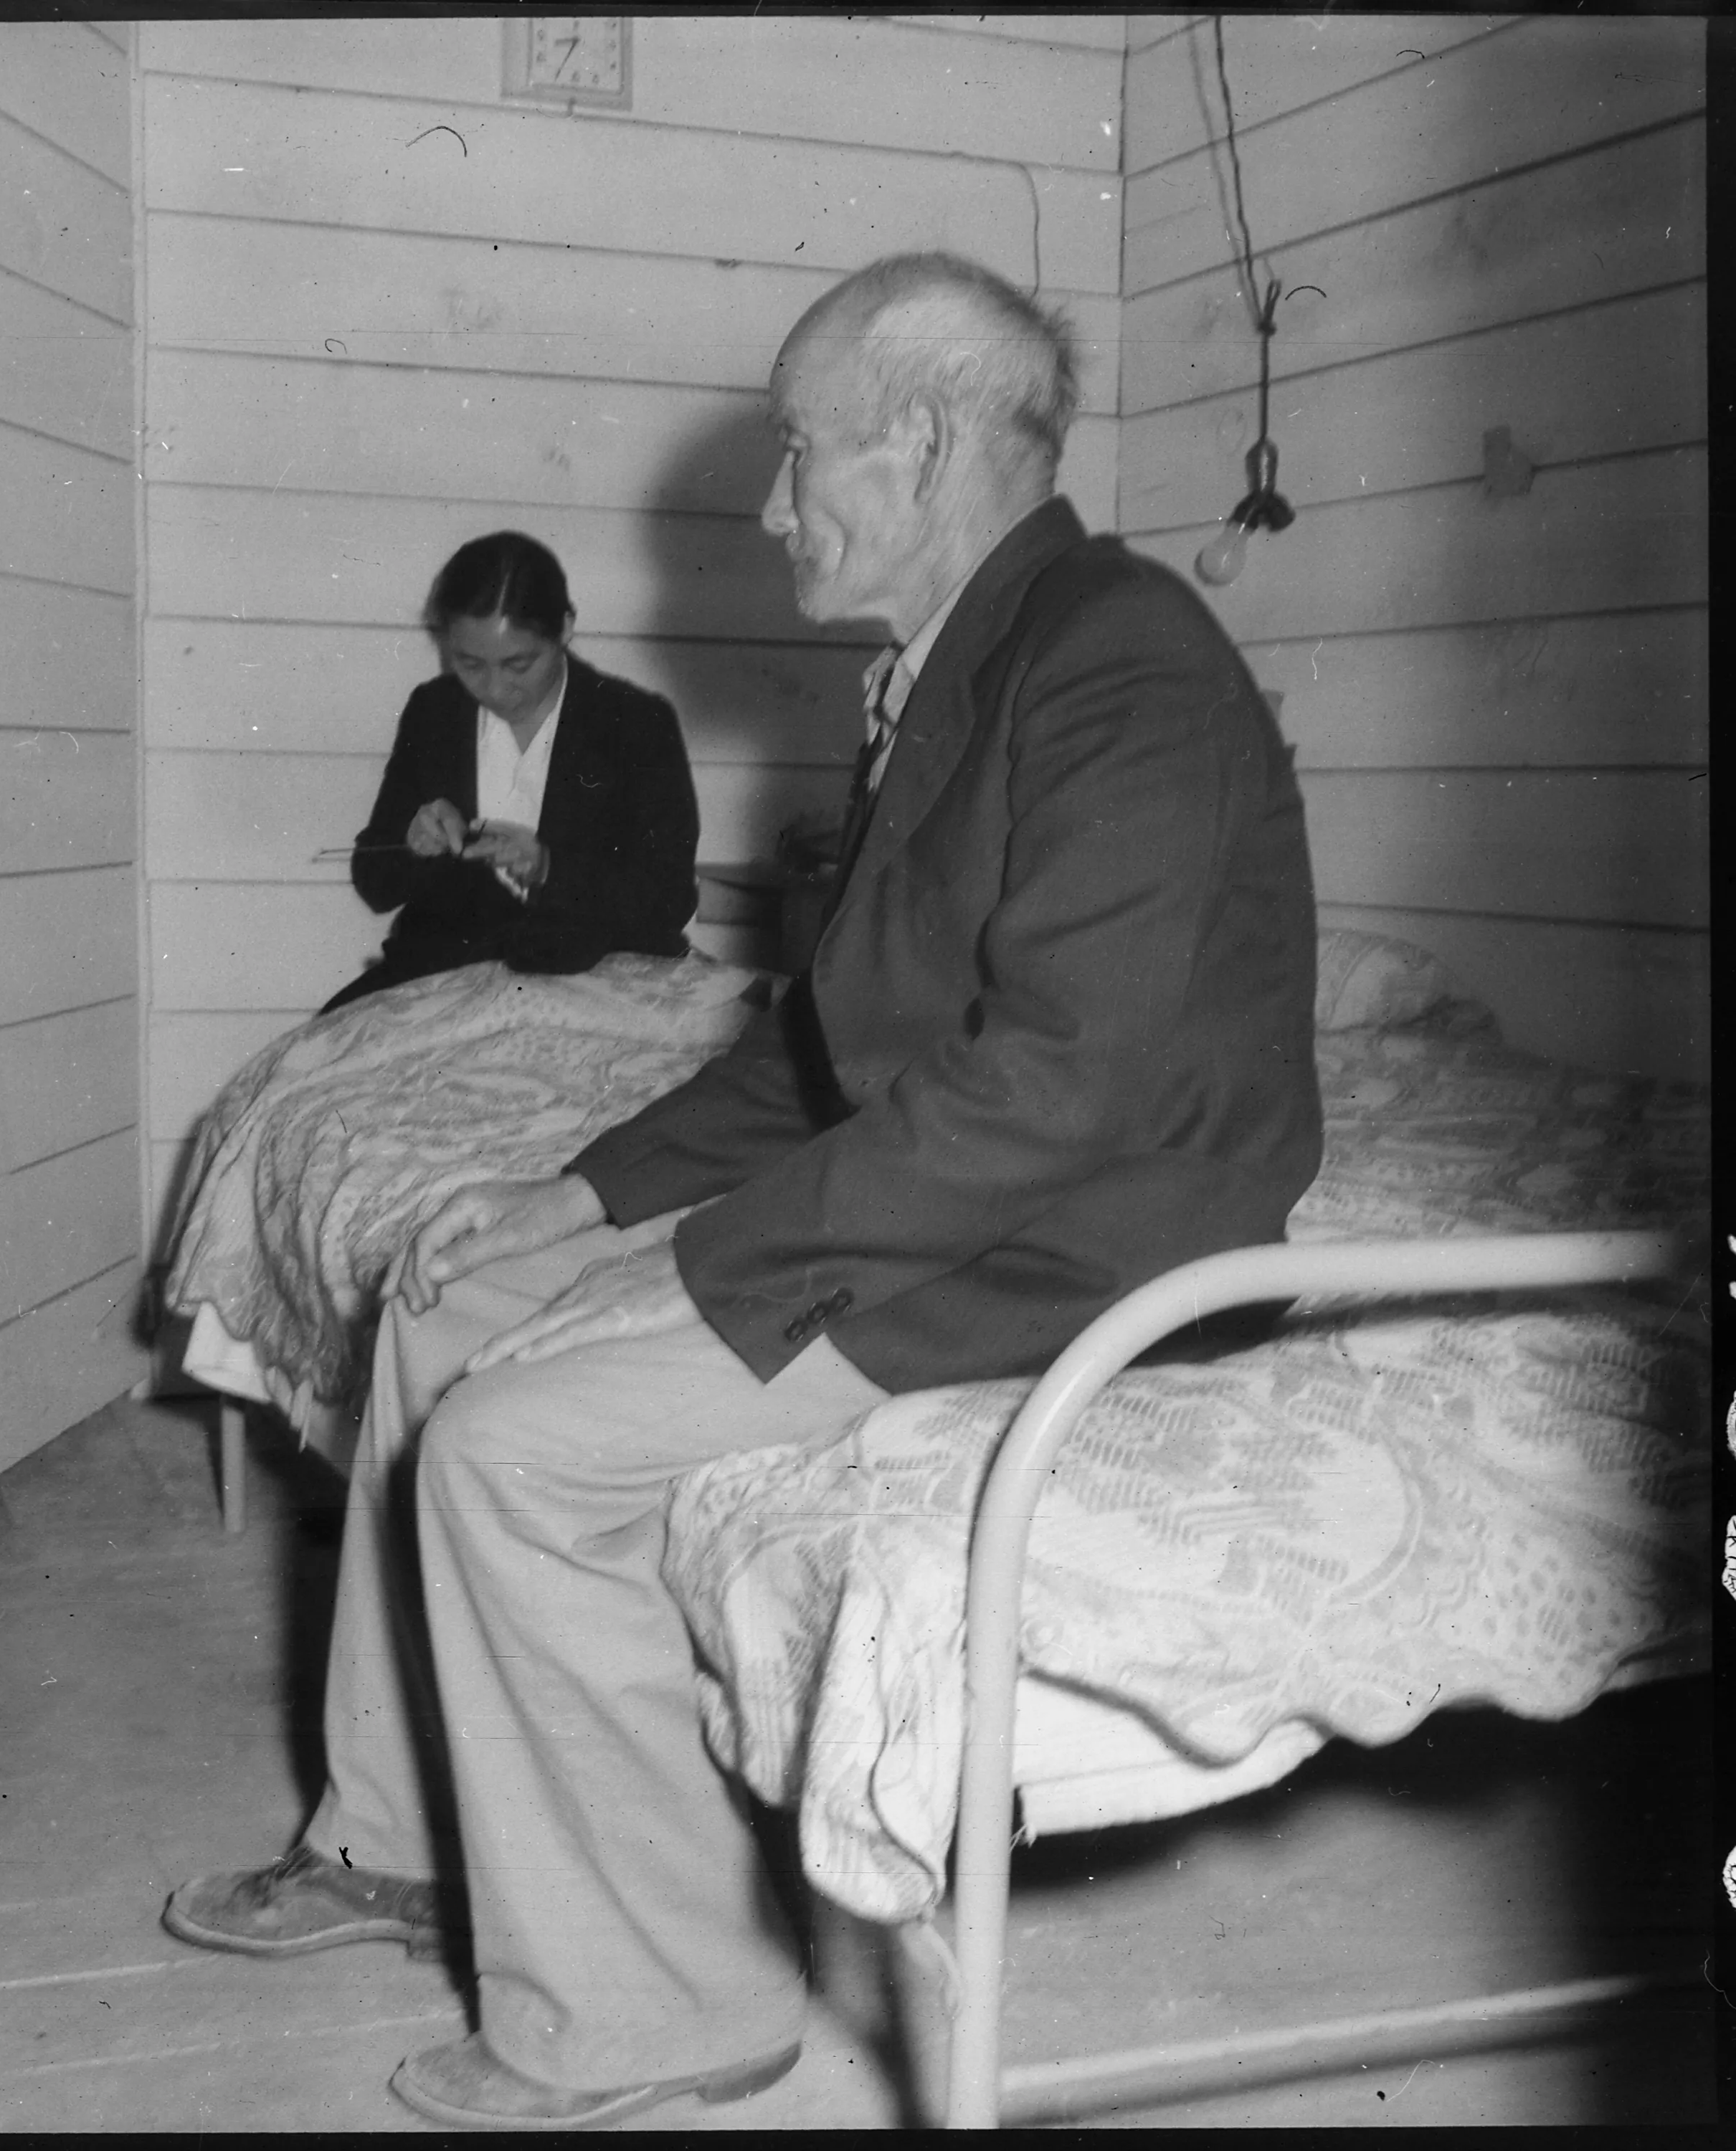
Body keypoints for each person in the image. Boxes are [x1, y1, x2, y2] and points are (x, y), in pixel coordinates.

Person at [163, 253, 1324, 2129]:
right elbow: (825, 1046)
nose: (770, 501)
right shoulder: (952, 665)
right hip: (967, 1193)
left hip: (1072, 1253)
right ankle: (391, 1840)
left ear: (926, 443)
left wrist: (702, 1264)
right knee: (442, 1296)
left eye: (798, 455)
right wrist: (572, 1200)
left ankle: (654, 2006)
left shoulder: (1116, 652)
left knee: (512, 1452)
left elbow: (1057, 1090)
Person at [318, 531, 700, 1012]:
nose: (495, 689)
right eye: (469, 664)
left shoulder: (635, 723)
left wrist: (548, 868)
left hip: (596, 979)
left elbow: (670, 900)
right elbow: (373, 880)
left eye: (519, 664)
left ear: (564, 628)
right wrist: (415, 842)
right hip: (442, 971)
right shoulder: (434, 712)